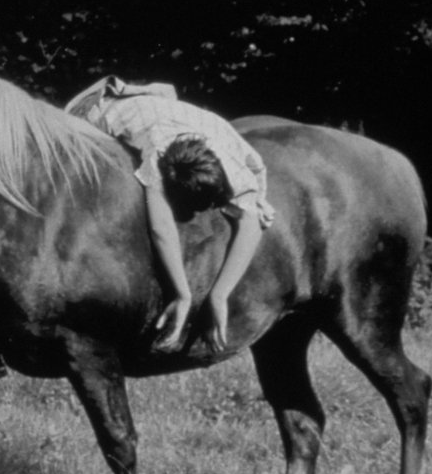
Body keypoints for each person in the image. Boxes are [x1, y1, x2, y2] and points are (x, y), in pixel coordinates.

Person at [65, 76, 275, 352]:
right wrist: (182, 294)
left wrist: (220, 295)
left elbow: (251, 224)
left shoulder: (235, 156)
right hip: (93, 111)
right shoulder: (158, 151)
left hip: (170, 114)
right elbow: (161, 229)